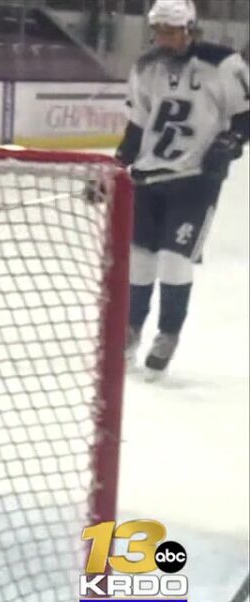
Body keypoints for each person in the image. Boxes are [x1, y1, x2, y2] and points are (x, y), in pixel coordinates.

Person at [107, 0, 249, 378]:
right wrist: (117, 168)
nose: (164, 38)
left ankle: (168, 333)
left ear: (189, 28)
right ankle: (131, 330)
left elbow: (245, 115)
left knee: (174, 258)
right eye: (159, 31)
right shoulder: (145, 67)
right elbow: (137, 129)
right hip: (150, 179)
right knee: (139, 258)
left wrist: (230, 143)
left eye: (172, 31)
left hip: (195, 183)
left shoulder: (223, 64)